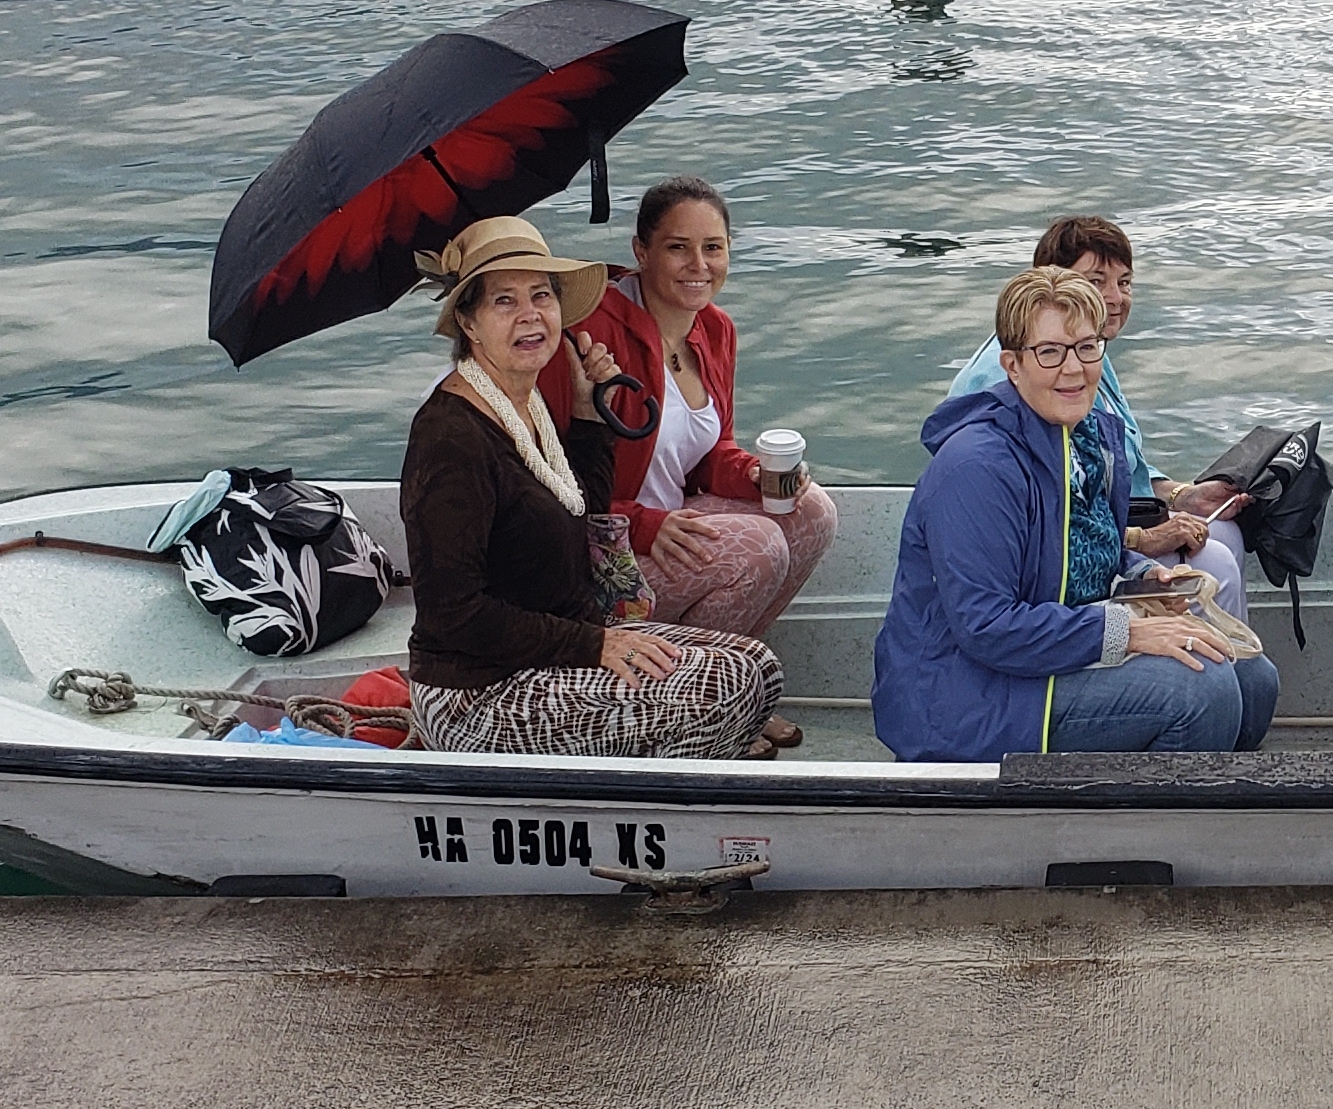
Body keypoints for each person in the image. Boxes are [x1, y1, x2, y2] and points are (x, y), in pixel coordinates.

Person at [397, 216, 784, 758]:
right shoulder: (450, 437)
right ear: (469, 323)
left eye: (541, 296)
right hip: (478, 692)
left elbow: (581, 514)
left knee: (759, 669)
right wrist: (595, 644)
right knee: (728, 689)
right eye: (504, 301)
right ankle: (637, 804)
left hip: (556, 643)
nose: (531, 315)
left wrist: (588, 416)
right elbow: (453, 615)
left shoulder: (523, 404)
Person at [878, 265, 1280, 761]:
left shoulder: (1087, 440)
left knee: (1255, 680)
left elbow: (1088, 554)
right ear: (1012, 365)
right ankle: (1138, 834)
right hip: (967, 692)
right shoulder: (975, 467)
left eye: (1086, 348)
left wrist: (1141, 578)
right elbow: (986, 626)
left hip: (1040, 658)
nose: (1073, 369)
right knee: (1202, 690)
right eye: (1049, 352)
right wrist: (1129, 631)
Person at [534, 177, 836, 647]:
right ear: (641, 251)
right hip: (598, 550)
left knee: (813, 511)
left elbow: (711, 453)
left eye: (713, 247)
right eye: (679, 248)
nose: (699, 266)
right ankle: (684, 698)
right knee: (760, 549)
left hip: (668, 527)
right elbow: (547, 488)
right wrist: (644, 524)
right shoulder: (588, 333)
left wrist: (754, 474)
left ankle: (733, 678)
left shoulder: (716, 329)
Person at [949, 215, 1249, 603]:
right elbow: (1051, 514)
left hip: (1105, 524)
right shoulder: (1016, 376)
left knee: (1225, 533)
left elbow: (1118, 464)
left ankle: (1226, 657)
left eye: (1124, 283)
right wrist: (1144, 541)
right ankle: (1204, 657)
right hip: (1055, 569)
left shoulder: (1091, 354)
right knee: (1215, 563)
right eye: (1095, 282)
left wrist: (1179, 497)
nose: (1115, 297)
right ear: (1050, 285)